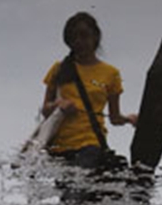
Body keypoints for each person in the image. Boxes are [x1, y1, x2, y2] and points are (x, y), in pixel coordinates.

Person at [42, 11, 138, 169]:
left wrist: (129, 119)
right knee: (69, 184)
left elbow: (114, 117)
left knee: (80, 180)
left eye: (84, 36)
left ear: (95, 37)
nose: (79, 41)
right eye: (73, 38)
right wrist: (58, 105)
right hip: (59, 148)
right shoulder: (59, 69)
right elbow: (45, 110)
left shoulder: (111, 74)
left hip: (90, 143)